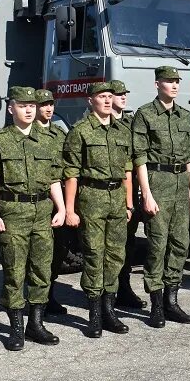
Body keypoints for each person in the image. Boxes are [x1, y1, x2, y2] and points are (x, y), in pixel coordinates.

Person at [0, 86, 66, 350]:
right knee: (14, 272)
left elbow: (54, 178)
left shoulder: (48, 140)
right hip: (13, 212)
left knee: (42, 269)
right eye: (22, 105)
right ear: (11, 109)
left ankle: (36, 324)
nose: (29, 110)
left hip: (42, 211)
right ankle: (16, 328)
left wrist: (61, 208)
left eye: (32, 105)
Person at [63, 82, 134, 338]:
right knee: (94, 254)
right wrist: (70, 209)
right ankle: (94, 315)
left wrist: (128, 203)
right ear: (90, 101)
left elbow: (127, 170)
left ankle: (109, 311)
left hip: (116, 197)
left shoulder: (121, 131)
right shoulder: (80, 131)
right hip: (91, 197)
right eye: (101, 96)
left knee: (115, 255)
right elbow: (70, 173)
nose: (107, 100)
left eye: (109, 96)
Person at [132, 66, 190, 327]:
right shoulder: (145, 114)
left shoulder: (184, 116)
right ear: (158, 84)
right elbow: (139, 158)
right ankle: (156, 305)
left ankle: (172, 301)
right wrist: (146, 194)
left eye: (177, 82)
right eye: (169, 81)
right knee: (157, 245)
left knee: (180, 244)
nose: (174, 85)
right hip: (157, 182)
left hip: (181, 184)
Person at [32, 88, 72, 316]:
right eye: (43, 105)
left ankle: (49, 293)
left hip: (58, 200)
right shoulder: (29, 134)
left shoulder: (59, 134)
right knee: (37, 254)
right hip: (38, 201)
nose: (48, 108)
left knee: (58, 250)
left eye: (50, 104)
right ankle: (35, 297)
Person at [110, 79, 148, 309]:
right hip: (107, 191)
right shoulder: (97, 123)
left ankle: (124, 288)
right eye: (117, 94)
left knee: (128, 242)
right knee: (108, 245)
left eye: (125, 93)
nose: (122, 97)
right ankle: (106, 293)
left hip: (129, 190)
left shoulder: (131, 123)